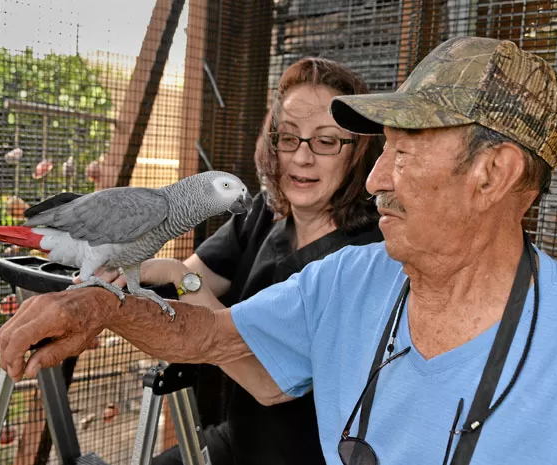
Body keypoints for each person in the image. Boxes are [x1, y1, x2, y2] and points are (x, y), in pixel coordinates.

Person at [0, 36, 557, 465]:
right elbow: (210, 336)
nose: (377, 178)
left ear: (492, 174)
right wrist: (102, 308)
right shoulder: (349, 277)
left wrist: (176, 283)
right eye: (381, 151)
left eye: (402, 154)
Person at [86, 56, 383, 465]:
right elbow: (193, 276)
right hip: (237, 439)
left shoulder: (369, 254)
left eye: (326, 141)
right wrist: (118, 283)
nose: (301, 157)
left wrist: (178, 278)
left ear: (357, 153)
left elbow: (267, 381)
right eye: (289, 137)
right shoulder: (264, 213)